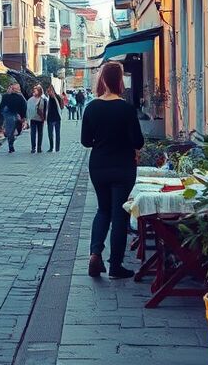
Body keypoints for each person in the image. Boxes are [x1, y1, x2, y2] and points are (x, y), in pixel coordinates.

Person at [81, 62, 144, 280]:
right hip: (123, 166)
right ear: (120, 80)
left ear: (102, 80)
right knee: (119, 214)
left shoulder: (91, 107)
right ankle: (115, 266)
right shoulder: (126, 109)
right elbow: (138, 141)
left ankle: (95, 253)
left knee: (103, 210)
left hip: (99, 165)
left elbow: (85, 141)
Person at [0, 83, 27, 153]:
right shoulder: (20, 97)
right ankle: (11, 145)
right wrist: (23, 117)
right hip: (16, 117)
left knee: (11, 132)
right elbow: (24, 107)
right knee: (15, 131)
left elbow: (1, 107)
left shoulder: (6, 96)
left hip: (10, 117)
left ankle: (10, 143)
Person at [26, 85, 45, 153]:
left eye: (36, 91)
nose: (34, 92)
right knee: (33, 134)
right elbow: (28, 110)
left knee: (40, 134)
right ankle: (33, 148)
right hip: (33, 119)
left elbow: (45, 109)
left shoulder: (43, 99)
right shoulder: (31, 100)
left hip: (40, 119)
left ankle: (39, 147)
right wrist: (27, 119)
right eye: (34, 91)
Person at [44, 85, 63, 152]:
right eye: (48, 91)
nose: (48, 92)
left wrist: (55, 98)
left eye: (49, 91)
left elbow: (61, 106)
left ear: (53, 91)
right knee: (50, 134)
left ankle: (57, 148)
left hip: (57, 118)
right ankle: (51, 147)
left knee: (57, 134)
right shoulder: (47, 98)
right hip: (50, 118)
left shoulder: (57, 97)